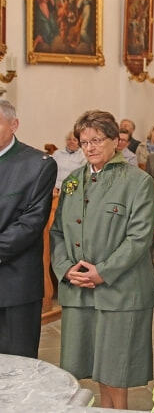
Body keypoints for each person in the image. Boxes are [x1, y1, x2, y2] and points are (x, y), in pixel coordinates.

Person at [50, 110, 154, 410]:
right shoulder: (73, 181)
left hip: (120, 290)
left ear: (115, 141)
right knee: (89, 366)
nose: (90, 147)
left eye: (97, 140)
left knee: (115, 369)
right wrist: (66, 268)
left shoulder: (137, 181)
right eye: (84, 142)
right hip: (79, 288)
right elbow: (57, 231)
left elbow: (139, 237)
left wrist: (103, 272)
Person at [0, 100, 57, 358]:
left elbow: (31, 223)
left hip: (15, 284)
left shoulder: (38, 164)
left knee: (17, 364)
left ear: (14, 125)